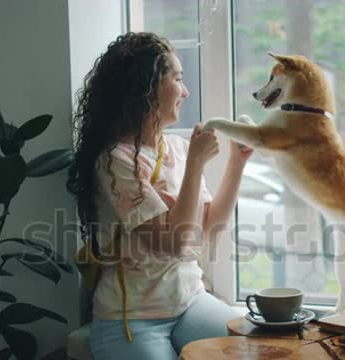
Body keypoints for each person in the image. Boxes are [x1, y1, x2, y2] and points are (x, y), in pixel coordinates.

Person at [66, 32, 253, 360]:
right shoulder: (115, 161)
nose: (186, 91)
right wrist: (197, 163)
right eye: (178, 78)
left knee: (255, 350)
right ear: (146, 87)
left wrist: (238, 162)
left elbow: (209, 227)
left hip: (191, 303)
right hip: (132, 321)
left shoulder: (179, 149)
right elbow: (175, 244)